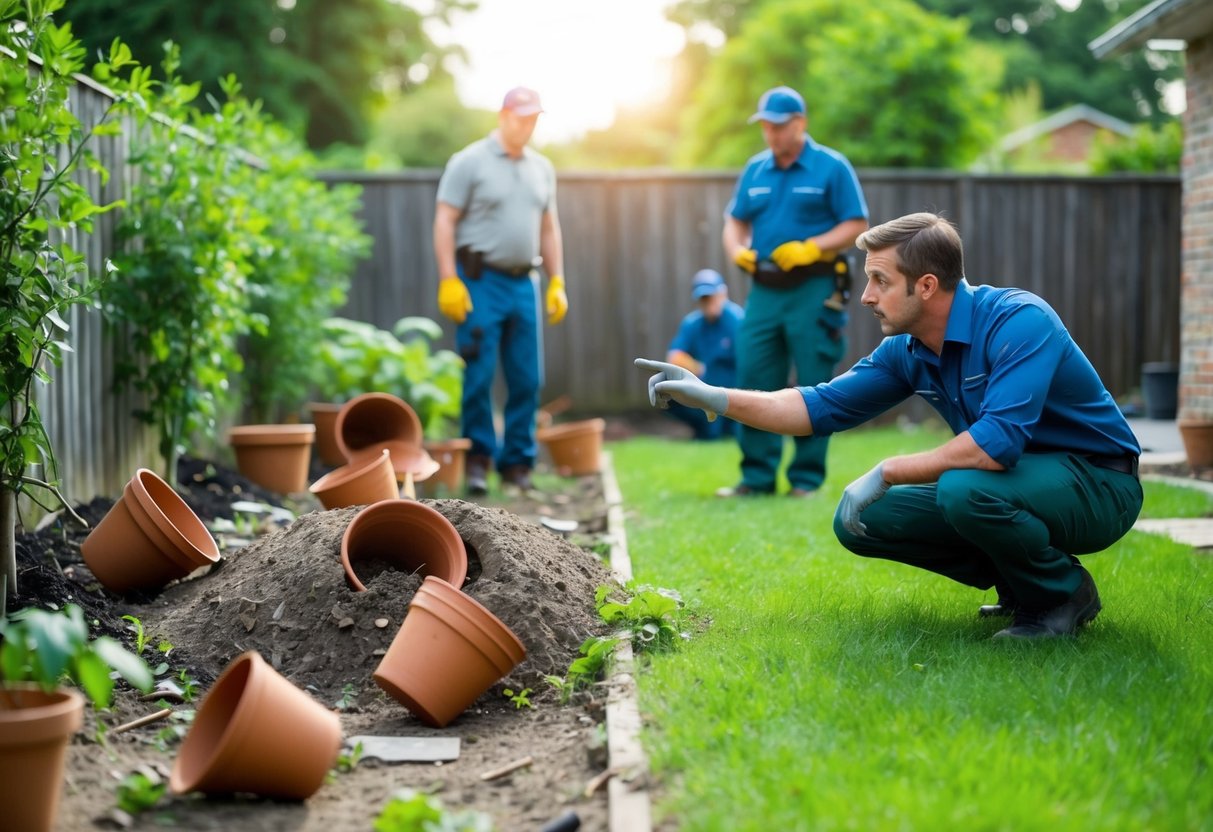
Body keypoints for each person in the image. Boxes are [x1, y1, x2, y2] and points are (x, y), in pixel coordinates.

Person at [636, 213, 1143, 640]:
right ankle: (1022, 585)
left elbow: (996, 445)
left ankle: (1061, 596)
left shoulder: (1019, 321)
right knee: (862, 520)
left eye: (879, 280)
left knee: (965, 489)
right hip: (1024, 481)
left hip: (1099, 482)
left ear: (925, 286)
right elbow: (819, 406)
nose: (865, 296)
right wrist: (715, 397)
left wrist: (889, 468)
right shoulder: (908, 350)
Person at [720, 85, 870, 498]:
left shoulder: (831, 167)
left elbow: (856, 223)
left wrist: (811, 247)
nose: (771, 133)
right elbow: (734, 221)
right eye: (765, 126)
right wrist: (738, 251)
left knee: (813, 380)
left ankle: (805, 479)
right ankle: (756, 476)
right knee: (753, 376)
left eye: (779, 126)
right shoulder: (755, 169)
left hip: (814, 287)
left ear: (800, 123)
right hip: (765, 290)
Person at [433, 86, 568, 495]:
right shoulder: (468, 162)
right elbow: (444, 220)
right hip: (480, 281)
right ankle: (477, 461)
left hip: (524, 282)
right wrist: (448, 279)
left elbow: (549, 227)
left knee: (527, 377)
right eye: (521, 117)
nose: (527, 126)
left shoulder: (541, 168)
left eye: (533, 119)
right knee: (479, 374)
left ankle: (517, 466)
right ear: (503, 115)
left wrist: (558, 280)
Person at [663, 269, 745, 440]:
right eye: (704, 299)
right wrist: (697, 368)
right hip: (704, 389)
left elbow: (749, 363)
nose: (709, 302)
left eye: (712, 296)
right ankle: (705, 428)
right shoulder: (693, 323)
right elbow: (674, 357)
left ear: (723, 294)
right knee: (664, 384)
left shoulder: (737, 320)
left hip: (735, 391)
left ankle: (725, 428)